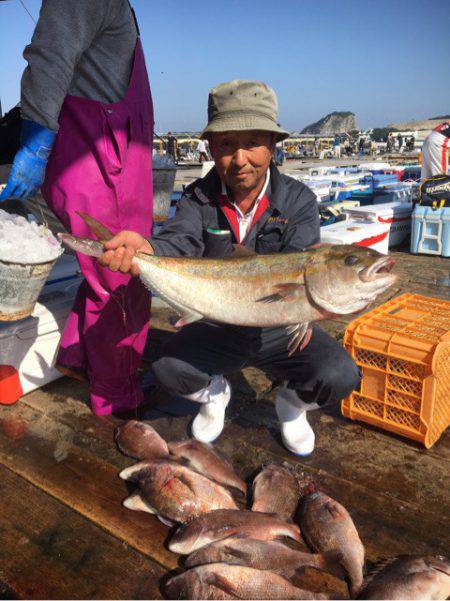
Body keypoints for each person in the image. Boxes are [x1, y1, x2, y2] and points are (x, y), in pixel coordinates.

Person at [99, 79, 361, 456]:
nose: (240, 159)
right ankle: (215, 393)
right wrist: (149, 249)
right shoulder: (197, 198)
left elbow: (305, 266)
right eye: (226, 145)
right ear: (210, 148)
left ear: (272, 146)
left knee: (340, 376)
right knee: (167, 367)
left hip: (281, 326)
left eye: (253, 143)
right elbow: (180, 240)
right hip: (218, 323)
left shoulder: (299, 201)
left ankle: (292, 403)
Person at [0, 0, 154, 416]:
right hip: (99, 160)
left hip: (123, 159)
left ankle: (81, 359)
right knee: (117, 279)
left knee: (115, 273)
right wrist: (35, 137)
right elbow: (50, 55)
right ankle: (115, 397)